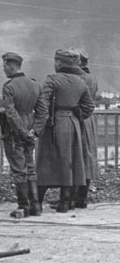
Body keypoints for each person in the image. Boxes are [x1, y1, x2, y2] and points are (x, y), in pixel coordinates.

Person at [35, 49, 95, 213]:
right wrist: (77, 113)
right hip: (74, 125)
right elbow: (89, 107)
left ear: (59, 63)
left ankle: (37, 204)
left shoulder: (52, 80)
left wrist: (37, 128)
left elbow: (43, 105)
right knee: (70, 162)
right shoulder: (80, 82)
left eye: (56, 61)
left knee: (45, 162)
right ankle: (65, 203)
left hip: (54, 125)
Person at [0, 52, 47, 217]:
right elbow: (43, 112)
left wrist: (22, 132)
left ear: (11, 66)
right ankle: (36, 207)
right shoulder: (35, 85)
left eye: (5, 66)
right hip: (30, 131)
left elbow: (11, 114)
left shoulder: (9, 86)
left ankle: (23, 206)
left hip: (14, 133)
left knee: (19, 169)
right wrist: (34, 132)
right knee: (30, 167)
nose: (4, 69)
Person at [74, 50, 99, 209]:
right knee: (87, 157)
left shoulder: (78, 78)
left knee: (76, 157)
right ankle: (82, 197)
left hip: (79, 118)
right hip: (90, 119)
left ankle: (72, 198)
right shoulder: (93, 79)